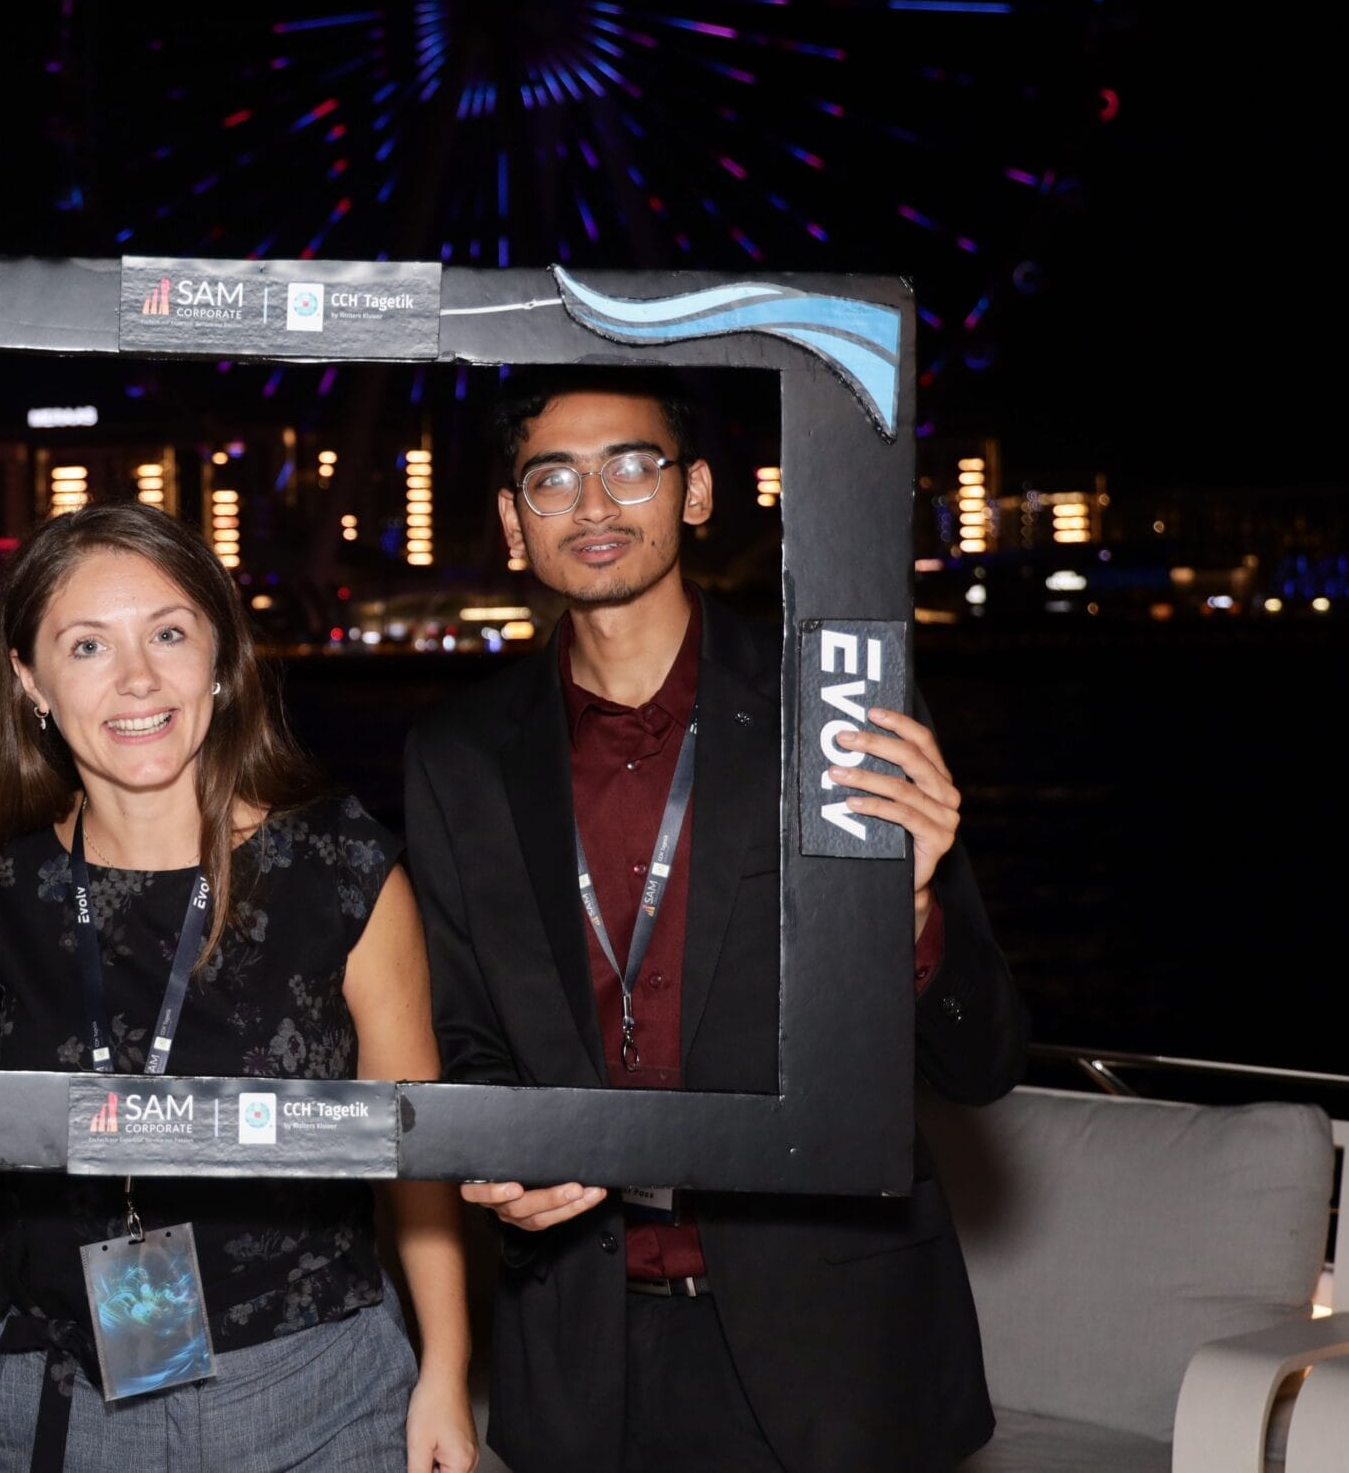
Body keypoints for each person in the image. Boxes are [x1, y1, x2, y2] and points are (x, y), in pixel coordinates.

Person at [404, 374, 1028, 1473]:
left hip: (836, 1344)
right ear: (512, 523)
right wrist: (504, 1149)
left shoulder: (835, 711)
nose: (594, 505)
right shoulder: (456, 760)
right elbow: (463, 1034)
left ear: (695, 493)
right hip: (579, 1348)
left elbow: (980, 1062)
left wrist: (915, 908)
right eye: (552, 478)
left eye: (630, 465)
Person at [0, 501, 476, 1473]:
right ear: (30, 681)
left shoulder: (340, 871)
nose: (138, 679)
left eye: (168, 633)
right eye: (86, 647)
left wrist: (446, 1370)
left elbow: (418, 1153)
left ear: (219, 659)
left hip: (312, 1388)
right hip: (62, 1395)